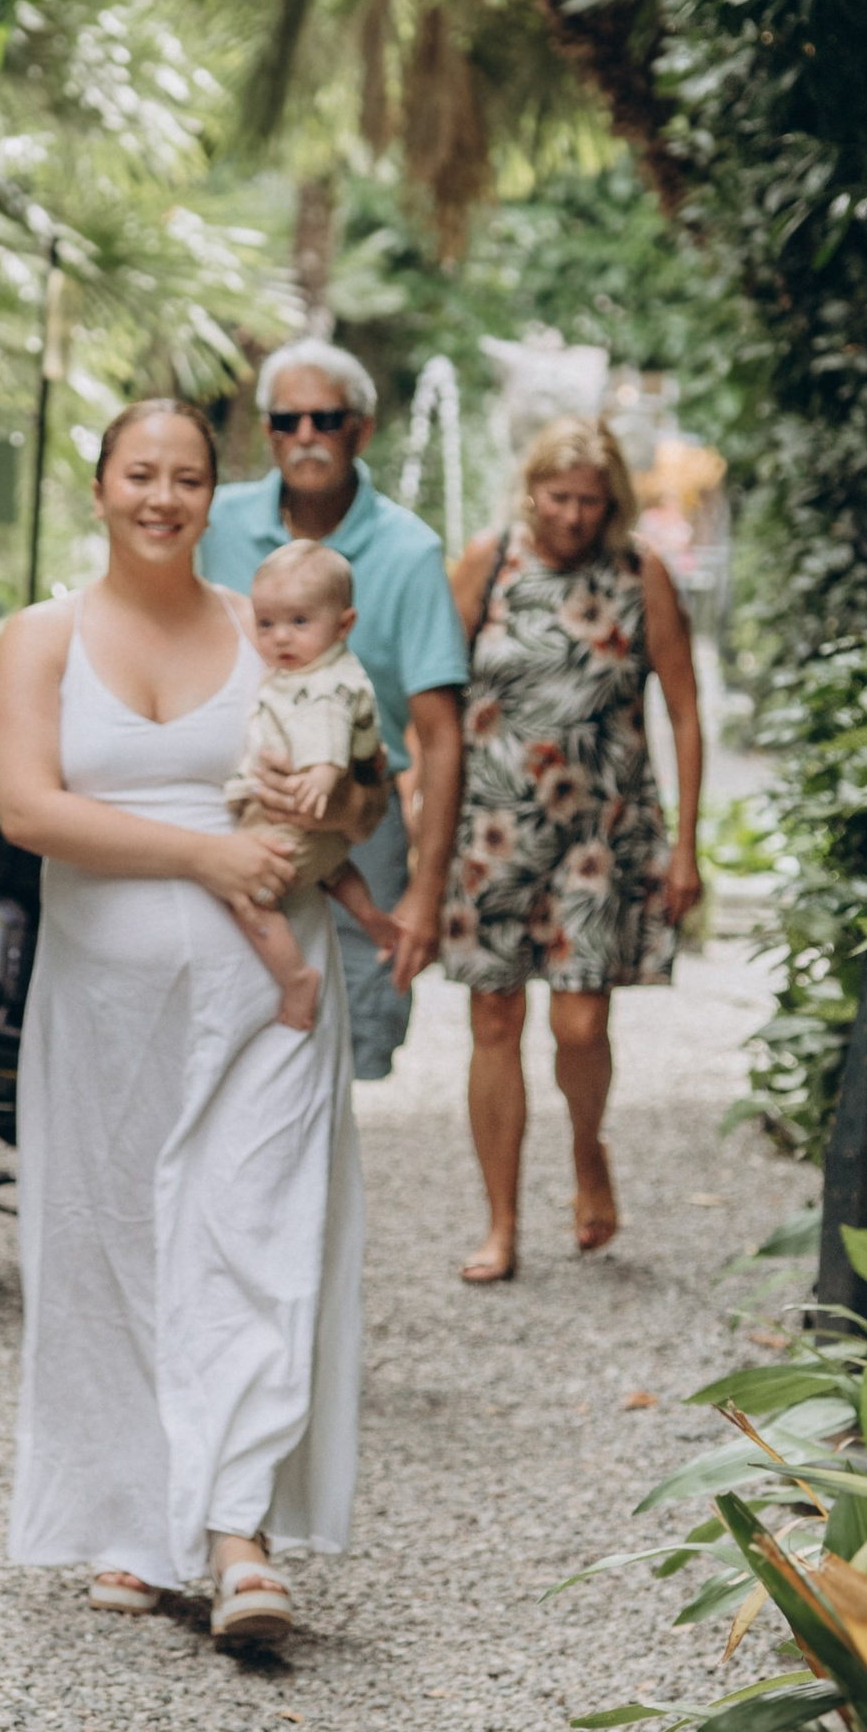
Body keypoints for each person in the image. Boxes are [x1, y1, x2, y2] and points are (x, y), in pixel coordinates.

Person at [0, 400, 369, 1653]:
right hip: (101, 1007)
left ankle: (236, 1531)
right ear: (99, 488)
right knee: (107, 1240)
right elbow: (31, 813)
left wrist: (336, 797)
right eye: (139, 474)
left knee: (248, 1233)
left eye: (188, 477)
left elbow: (356, 800)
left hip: (267, 995)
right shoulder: (42, 638)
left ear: (216, 494)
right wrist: (205, 857)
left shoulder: (269, 628)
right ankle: (134, 1521)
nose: (162, 496)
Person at [443, 416, 703, 1284]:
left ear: (613, 502)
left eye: (591, 502)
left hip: (602, 832)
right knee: (493, 1018)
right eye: (558, 497)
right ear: (531, 490)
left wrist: (687, 848)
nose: (573, 516)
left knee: (580, 1020)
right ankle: (500, 1222)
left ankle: (587, 1146)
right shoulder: (488, 563)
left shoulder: (640, 574)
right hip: (494, 827)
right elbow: (434, 696)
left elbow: (684, 712)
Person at [201, 339, 467, 1080]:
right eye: (288, 420)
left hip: (357, 829)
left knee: (345, 1048)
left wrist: (425, 889)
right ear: (269, 431)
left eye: (327, 418)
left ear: (363, 429)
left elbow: (441, 738)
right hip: (227, 814)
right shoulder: (213, 524)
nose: (307, 435)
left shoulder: (410, 552)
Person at [221, 540, 399, 1033]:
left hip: (297, 816)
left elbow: (329, 731)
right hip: (322, 838)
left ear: (344, 625)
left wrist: (322, 775)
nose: (281, 638)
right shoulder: (317, 666)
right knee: (333, 867)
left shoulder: (322, 685)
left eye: (299, 622)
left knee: (246, 893)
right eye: (267, 623)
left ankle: (297, 978)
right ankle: (367, 912)